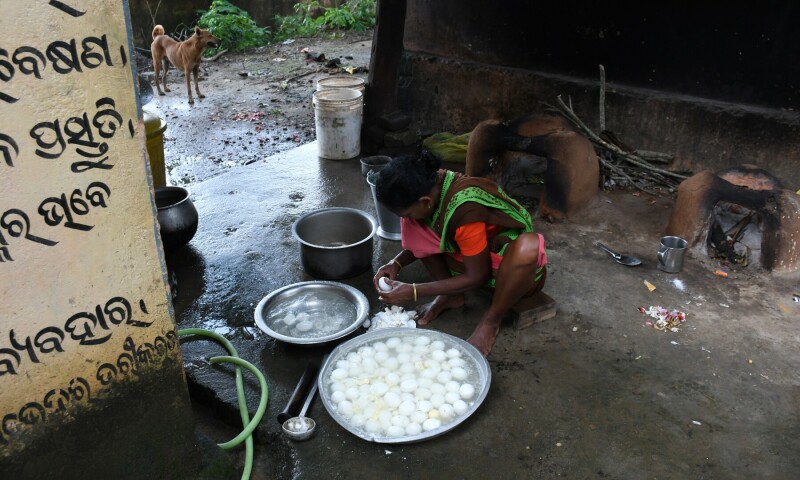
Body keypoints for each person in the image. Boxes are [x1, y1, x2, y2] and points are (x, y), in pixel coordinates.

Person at [372, 151, 547, 356]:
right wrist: (396, 263)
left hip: (512, 272)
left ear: (425, 201)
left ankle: (491, 321)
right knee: (416, 226)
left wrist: (414, 291)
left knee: (528, 247)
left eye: (407, 213)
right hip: (473, 255)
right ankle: (450, 296)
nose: (406, 219)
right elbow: (422, 239)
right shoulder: (433, 184)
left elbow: (477, 276)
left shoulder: (465, 209)